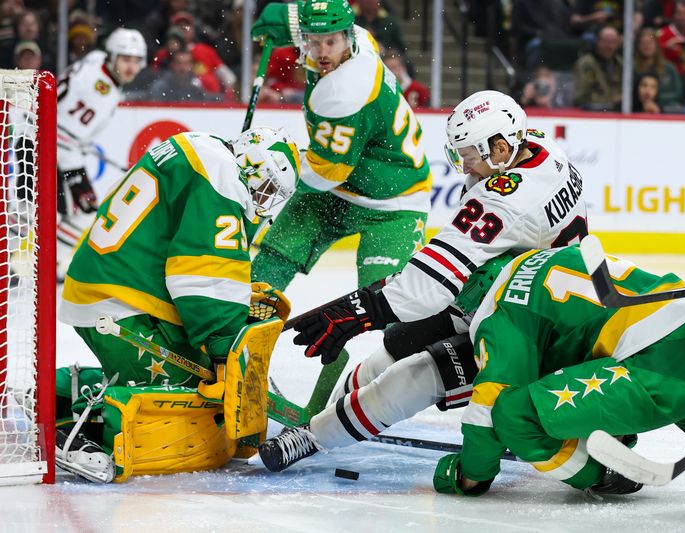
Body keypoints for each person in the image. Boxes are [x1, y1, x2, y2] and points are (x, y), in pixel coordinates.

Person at [254, 90, 588, 472]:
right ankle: (332, 416)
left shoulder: (505, 199)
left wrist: (358, 312)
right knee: (396, 345)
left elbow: (429, 284)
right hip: (514, 298)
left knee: (415, 378)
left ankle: (313, 436)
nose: (466, 168)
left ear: (499, 148)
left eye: (470, 157)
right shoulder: (541, 150)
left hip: (534, 334)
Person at [428, 245, 685, 521]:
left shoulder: (499, 308)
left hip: (658, 370)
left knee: (514, 415)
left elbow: (491, 406)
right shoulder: (543, 258)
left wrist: (468, 473)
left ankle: (605, 475)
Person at [56, 127, 300, 483]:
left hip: (115, 282)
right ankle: (78, 428)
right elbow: (204, 274)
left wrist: (236, 299)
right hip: (122, 300)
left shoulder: (201, 147)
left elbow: (184, 250)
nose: (264, 200)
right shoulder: (222, 179)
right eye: (266, 187)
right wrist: (222, 351)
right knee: (190, 390)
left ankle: (59, 388)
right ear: (255, 164)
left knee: (199, 378)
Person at [248, 0, 432, 291]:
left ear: (346, 37)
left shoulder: (345, 91)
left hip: (393, 201)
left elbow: (327, 173)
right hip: (339, 190)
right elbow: (318, 21)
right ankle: (242, 328)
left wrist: (277, 170)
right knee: (272, 262)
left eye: (330, 43)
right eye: (313, 41)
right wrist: (287, 15)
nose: (322, 52)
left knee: (387, 301)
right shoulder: (357, 37)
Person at [54, 28, 147, 282]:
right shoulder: (102, 90)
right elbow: (63, 133)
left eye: (136, 60)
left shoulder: (97, 60)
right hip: (53, 147)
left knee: (55, 209)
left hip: (52, 141)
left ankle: (46, 262)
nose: (131, 67)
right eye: (126, 59)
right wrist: (74, 164)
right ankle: (47, 263)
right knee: (84, 209)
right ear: (113, 56)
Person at [573, 25, 623, 111]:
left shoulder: (620, 63)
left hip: (616, 111)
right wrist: (612, 101)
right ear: (598, 42)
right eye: (605, 41)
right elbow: (581, 96)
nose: (608, 46)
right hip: (591, 111)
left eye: (612, 42)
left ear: (617, 44)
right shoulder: (586, 63)